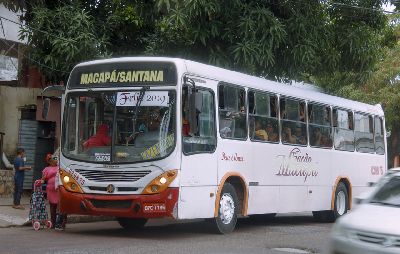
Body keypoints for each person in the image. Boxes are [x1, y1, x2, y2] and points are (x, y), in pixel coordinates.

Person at [41, 154, 59, 228]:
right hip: (53, 189)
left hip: (56, 188)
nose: (54, 161)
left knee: (55, 206)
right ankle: (55, 223)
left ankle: (57, 223)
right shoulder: (48, 169)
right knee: (54, 206)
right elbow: (43, 179)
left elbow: (43, 179)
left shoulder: (57, 167)